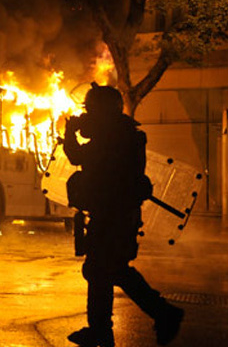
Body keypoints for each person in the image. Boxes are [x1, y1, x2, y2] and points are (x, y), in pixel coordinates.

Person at [63, 83, 184, 347]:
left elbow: (75, 156)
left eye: (91, 111)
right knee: (105, 271)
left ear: (103, 112)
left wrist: (70, 132)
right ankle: (102, 329)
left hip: (112, 216)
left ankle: (162, 314)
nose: (87, 116)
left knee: (106, 270)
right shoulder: (123, 134)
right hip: (115, 214)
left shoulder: (112, 138)